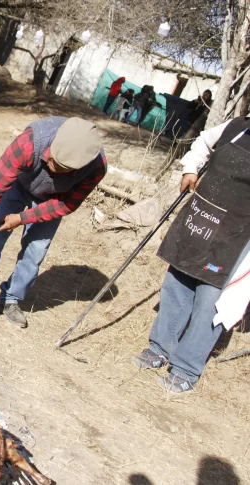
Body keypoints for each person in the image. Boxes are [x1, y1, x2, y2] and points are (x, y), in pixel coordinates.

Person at [0, 117, 107, 335]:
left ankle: (11, 298)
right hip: (18, 186)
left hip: (54, 200)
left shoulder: (96, 168)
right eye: (52, 159)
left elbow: (68, 204)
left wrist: (23, 218)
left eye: (60, 167)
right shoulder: (30, 142)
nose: (50, 166)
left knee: (35, 251)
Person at [134, 114, 250, 393]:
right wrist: (191, 169)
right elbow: (203, 143)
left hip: (237, 236)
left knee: (211, 301)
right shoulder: (236, 127)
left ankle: (185, 369)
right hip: (201, 218)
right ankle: (159, 349)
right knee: (177, 283)